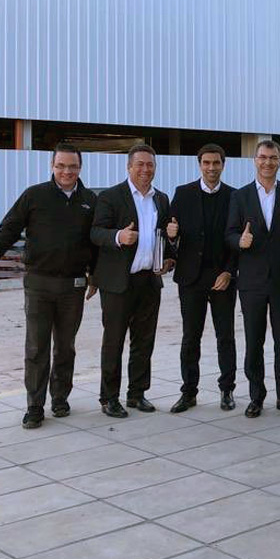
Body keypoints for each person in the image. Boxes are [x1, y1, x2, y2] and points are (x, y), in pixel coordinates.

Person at [0, 143, 97, 428]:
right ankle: (34, 406)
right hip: (38, 284)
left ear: (80, 168)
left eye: (72, 166)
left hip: (73, 286)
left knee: (66, 347)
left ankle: (60, 398)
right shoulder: (34, 195)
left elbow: (95, 243)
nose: (66, 171)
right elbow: (11, 226)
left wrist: (94, 275)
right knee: (36, 347)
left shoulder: (90, 201)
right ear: (52, 166)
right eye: (61, 166)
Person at [226, 140, 280, 417]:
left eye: (273, 158)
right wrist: (240, 241)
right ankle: (256, 397)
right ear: (255, 160)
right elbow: (229, 234)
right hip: (251, 282)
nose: (267, 162)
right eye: (263, 157)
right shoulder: (240, 196)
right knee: (254, 341)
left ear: (279, 161)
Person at [90, 144, 173, 419]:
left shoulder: (161, 199)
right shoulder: (111, 197)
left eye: (150, 165)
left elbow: (165, 237)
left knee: (144, 341)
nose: (145, 169)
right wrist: (118, 236)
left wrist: (169, 258)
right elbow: (95, 232)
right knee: (114, 341)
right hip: (118, 283)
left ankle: (137, 393)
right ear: (129, 167)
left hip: (149, 281)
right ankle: (109, 397)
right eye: (140, 164)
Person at [166, 144, 239, 414]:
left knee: (225, 337)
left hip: (222, 278)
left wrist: (229, 271)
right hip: (191, 278)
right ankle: (189, 392)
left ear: (223, 165)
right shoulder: (182, 194)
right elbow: (170, 234)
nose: (211, 168)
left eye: (216, 163)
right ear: (199, 165)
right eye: (206, 163)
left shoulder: (234, 196)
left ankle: (227, 389)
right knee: (190, 338)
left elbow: (236, 240)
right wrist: (172, 236)